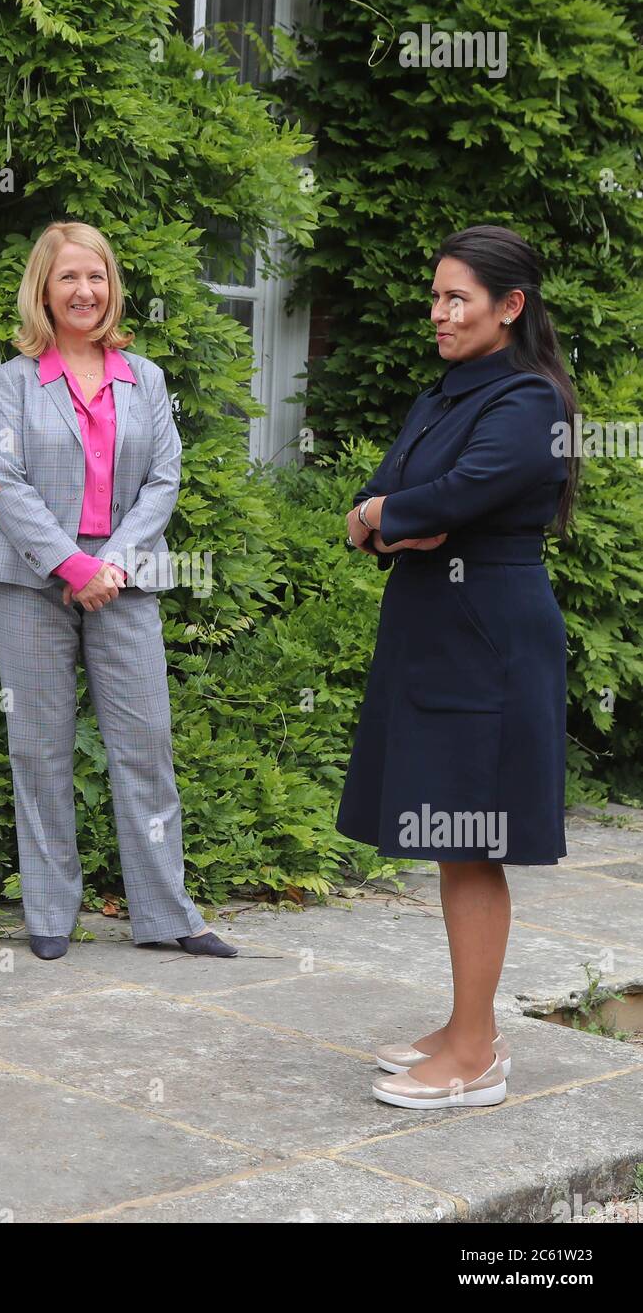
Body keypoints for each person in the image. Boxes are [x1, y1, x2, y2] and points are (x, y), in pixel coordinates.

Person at [336, 225, 578, 1110]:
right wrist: (380, 513)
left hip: (487, 636)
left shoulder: (528, 402)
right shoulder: (449, 392)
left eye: (456, 299)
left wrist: (391, 511)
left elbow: (450, 496)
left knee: (473, 840)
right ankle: (463, 1022)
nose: (437, 314)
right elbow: (393, 489)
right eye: (434, 297)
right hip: (434, 627)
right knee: (448, 836)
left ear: (510, 308)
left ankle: (477, 1054)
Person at [0, 221, 236, 960]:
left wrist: (111, 565)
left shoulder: (145, 378)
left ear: (112, 286)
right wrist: (72, 565)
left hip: (126, 579)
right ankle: (51, 913)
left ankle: (166, 915)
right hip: (29, 579)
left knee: (145, 742)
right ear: (44, 290)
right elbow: (9, 483)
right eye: (67, 278)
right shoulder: (13, 381)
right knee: (39, 747)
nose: (84, 291)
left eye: (96, 277)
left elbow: (164, 480)